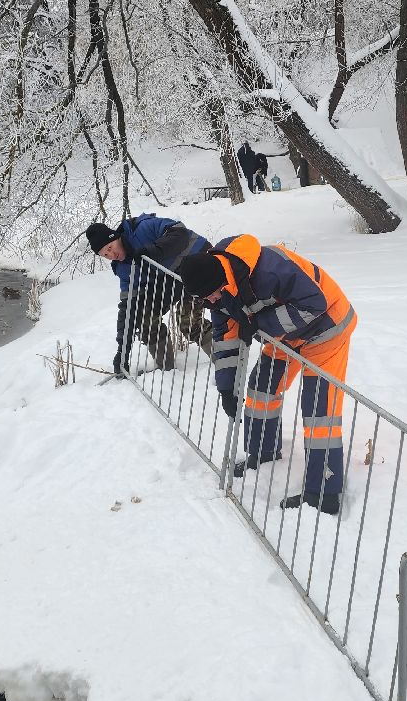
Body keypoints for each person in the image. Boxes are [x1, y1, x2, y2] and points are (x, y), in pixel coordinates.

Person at [178, 236, 357, 516]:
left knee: (319, 411)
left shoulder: (270, 268)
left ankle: (324, 490)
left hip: (326, 330)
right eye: (204, 299)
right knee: (261, 389)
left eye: (211, 294)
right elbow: (226, 338)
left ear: (221, 277)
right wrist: (227, 388)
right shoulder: (218, 292)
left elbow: (314, 304)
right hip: (286, 338)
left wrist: (261, 323)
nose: (211, 301)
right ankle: (262, 451)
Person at [85, 214, 212, 376]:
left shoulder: (142, 228)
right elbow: (128, 308)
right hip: (171, 279)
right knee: (145, 317)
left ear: (116, 237)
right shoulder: (123, 269)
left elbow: (181, 234)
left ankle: (224, 360)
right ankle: (166, 371)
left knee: (188, 322)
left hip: (199, 262)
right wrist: (122, 351)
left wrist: (153, 250)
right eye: (105, 255)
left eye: (110, 248)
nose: (111, 255)